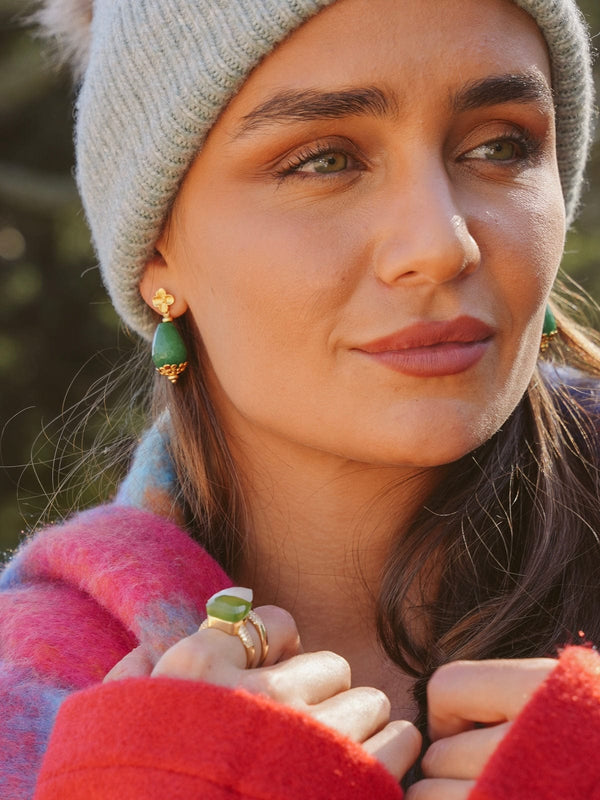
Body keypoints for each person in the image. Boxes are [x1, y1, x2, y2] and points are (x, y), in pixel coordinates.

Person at [1, 0, 599, 797]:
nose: (441, 244)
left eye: (500, 146)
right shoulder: (29, 687)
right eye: (323, 160)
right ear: (156, 249)